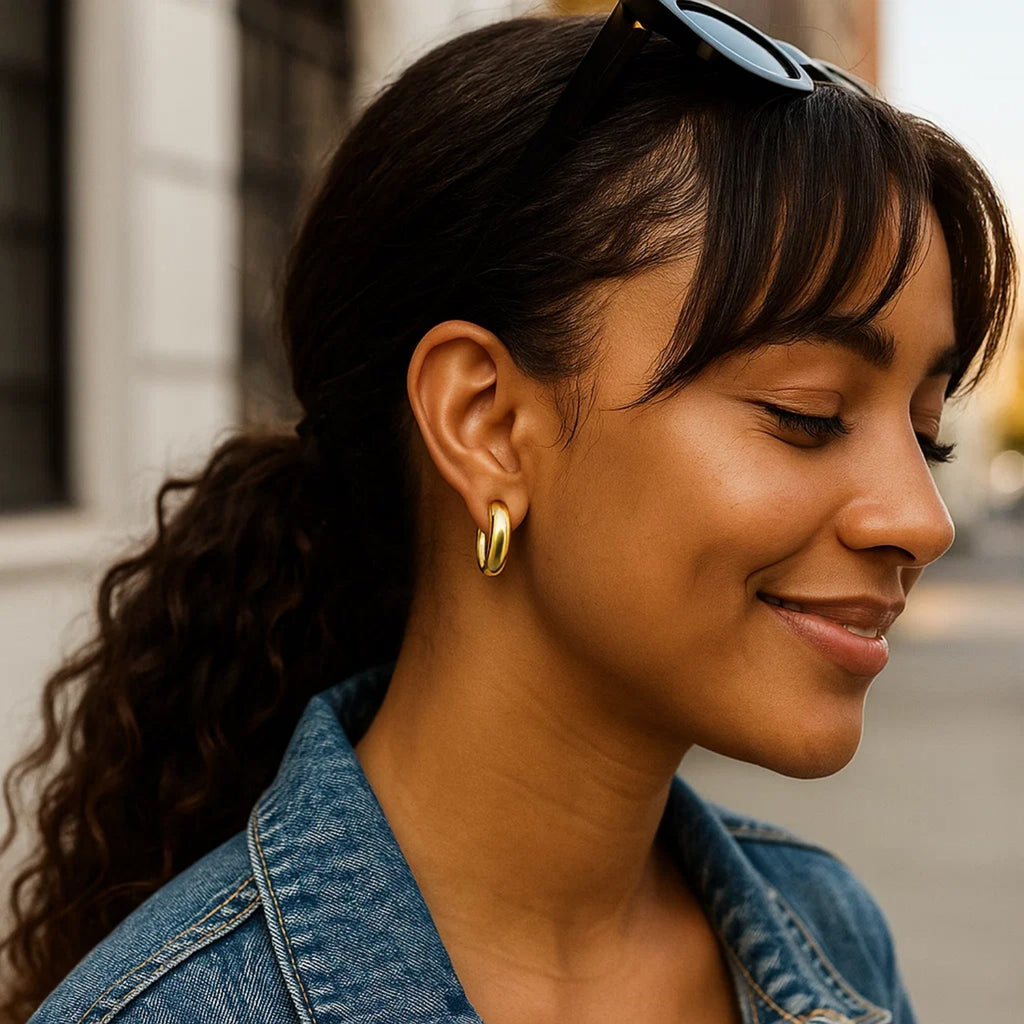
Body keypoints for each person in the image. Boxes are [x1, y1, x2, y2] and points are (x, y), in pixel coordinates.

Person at [1, 3, 1016, 1022]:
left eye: (925, 434)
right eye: (807, 414)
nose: (919, 520)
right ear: (484, 423)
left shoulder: (826, 933)